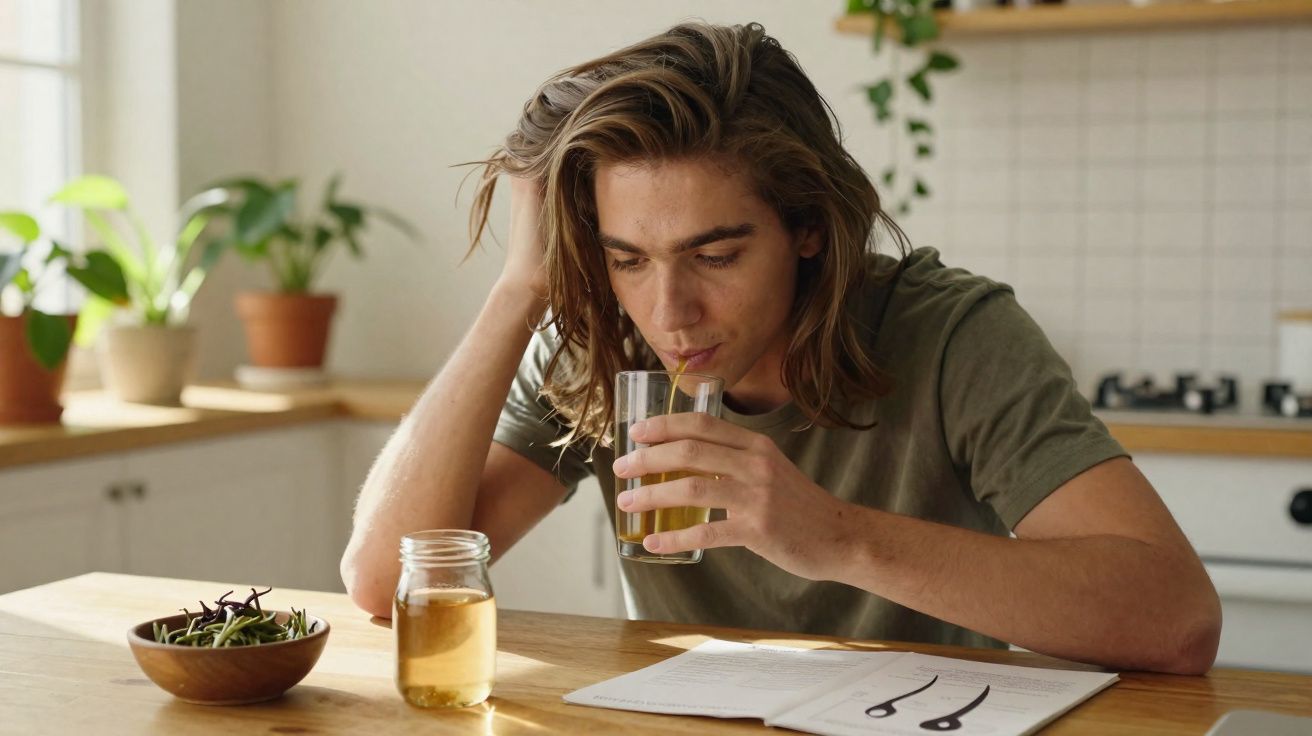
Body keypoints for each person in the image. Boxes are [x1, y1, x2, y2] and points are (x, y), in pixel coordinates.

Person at [340, 21, 1221, 675]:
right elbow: (383, 581)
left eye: (715, 256)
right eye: (628, 259)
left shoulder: (952, 335)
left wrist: (834, 537)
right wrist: (518, 292)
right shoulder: (604, 343)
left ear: (808, 228)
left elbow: (1177, 619)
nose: (670, 312)